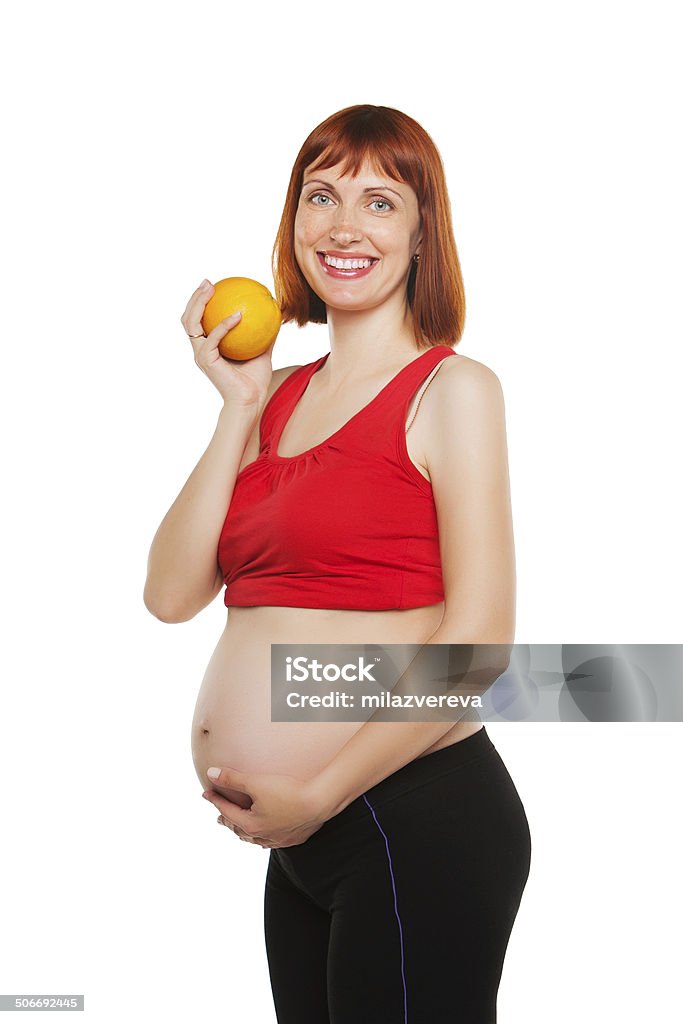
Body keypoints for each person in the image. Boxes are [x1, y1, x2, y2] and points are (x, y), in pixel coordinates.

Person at [144, 104, 532, 1023]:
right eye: (320, 196)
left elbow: (476, 644)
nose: (343, 225)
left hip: (413, 815)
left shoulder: (452, 390)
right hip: (302, 841)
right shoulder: (272, 396)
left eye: (379, 201)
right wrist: (237, 404)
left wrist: (312, 794)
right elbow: (168, 595)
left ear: (421, 232)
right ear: (293, 223)